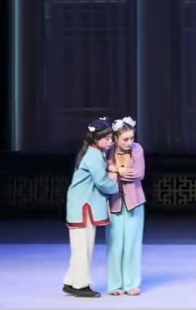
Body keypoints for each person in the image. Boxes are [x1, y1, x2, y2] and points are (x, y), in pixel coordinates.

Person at [63, 118, 120, 298]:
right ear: (96, 139)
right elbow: (103, 183)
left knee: (80, 247)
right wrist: (114, 177)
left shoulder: (93, 152)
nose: (110, 142)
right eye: (107, 138)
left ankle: (72, 281)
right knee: (83, 248)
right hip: (84, 207)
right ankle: (80, 285)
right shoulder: (94, 156)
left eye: (111, 138)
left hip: (81, 205)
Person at [106, 116, 146, 296]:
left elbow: (138, 173)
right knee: (115, 245)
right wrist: (114, 170)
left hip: (134, 201)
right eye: (125, 139)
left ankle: (131, 283)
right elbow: (104, 173)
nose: (129, 142)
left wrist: (116, 171)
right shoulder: (108, 150)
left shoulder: (137, 149)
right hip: (114, 203)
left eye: (132, 138)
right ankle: (115, 284)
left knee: (132, 244)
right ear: (115, 138)